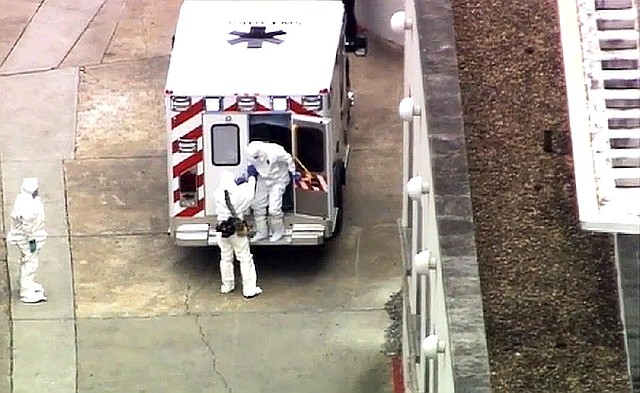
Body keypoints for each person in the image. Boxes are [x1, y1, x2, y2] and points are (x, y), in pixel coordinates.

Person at [213, 171, 262, 298]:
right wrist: (250, 179)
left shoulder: (217, 194)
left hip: (222, 228)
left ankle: (227, 286)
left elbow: (228, 194)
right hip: (236, 227)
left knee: (225, 257)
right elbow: (250, 194)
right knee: (245, 258)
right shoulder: (240, 195)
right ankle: (249, 288)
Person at [245, 141, 301, 242]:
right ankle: (262, 232)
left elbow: (288, 158)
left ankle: (279, 230)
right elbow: (252, 163)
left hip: (278, 180)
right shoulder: (250, 153)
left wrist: (293, 172)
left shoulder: (275, 151)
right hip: (263, 178)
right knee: (257, 205)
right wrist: (250, 171)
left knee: (274, 209)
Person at [7, 178, 48, 303]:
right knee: (30, 263)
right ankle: (26, 291)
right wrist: (32, 241)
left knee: (28, 261)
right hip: (28, 238)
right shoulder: (28, 207)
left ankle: (28, 284)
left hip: (29, 236)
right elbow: (28, 227)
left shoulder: (24, 200)